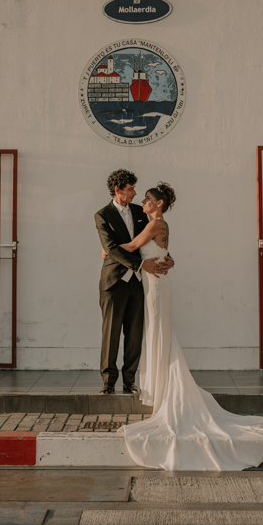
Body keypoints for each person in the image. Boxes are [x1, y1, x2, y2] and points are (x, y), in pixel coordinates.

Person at [114, 181, 263, 471]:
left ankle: (163, 393)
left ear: (159, 204)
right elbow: (156, 254)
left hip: (156, 287)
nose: (144, 203)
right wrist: (164, 260)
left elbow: (134, 247)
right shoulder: (158, 224)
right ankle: (159, 390)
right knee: (158, 335)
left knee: (159, 334)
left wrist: (107, 250)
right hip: (154, 283)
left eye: (148, 199)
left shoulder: (156, 223)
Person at [95, 169, 172, 395]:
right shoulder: (102, 215)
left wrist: (169, 259)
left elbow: (155, 240)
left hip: (138, 284)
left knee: (135, 334)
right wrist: (138, 264)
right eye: (130, 189)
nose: (135, 194)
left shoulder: (141, 212)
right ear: (117, 190)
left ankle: (130, 381)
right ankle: (108, 383)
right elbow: (110, 248)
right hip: (113, 282)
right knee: (111, 333)